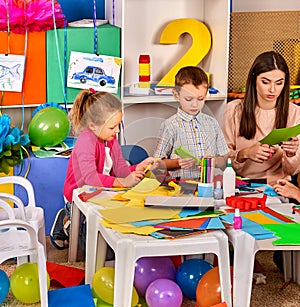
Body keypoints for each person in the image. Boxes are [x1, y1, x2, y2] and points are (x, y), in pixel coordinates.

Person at [50, 89, 155, 250]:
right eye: (113, 127)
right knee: (90, 247)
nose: (117, 131)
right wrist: (121, 182)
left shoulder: (110, 138)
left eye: (118, 125)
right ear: (93, 125)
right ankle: (66, 223)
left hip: (102, 192)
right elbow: (90, 178)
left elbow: (120, 168)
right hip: (79, 196)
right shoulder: (85, 141)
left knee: (111, 242)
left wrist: (138, 168)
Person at [222, 51, 300, 185]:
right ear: (254, 80)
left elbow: (292, 171)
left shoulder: (294, 112)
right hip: (242, 185)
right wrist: (245, 153)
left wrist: (291, 154)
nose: (272, 89)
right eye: (265, 82)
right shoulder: (234, 109)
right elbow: (221, 160)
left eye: (279, 83)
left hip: (278, 187)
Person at [154, 66, 229, 180]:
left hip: (210, 183)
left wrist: (213, 161)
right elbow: (157, 163)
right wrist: (178, 162)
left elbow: (224, 159)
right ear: (176, 95)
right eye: (188, 99)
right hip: (181, 186)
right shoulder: (170, 125)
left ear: (206, 94)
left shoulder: (212, 123)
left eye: (200, 99)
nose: (195, 105)